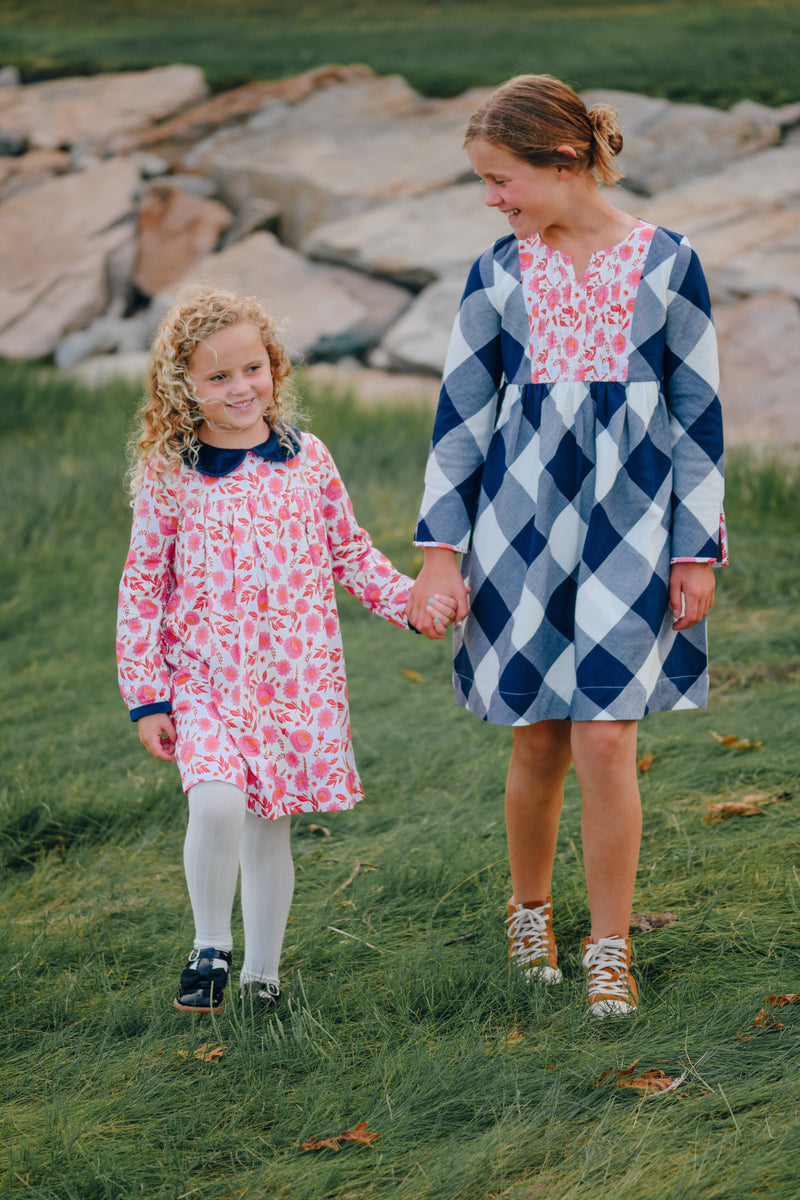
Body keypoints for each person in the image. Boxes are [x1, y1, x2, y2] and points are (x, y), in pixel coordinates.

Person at [406, 75, 726, 1017]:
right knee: (539, 738)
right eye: (484, 185)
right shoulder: (498, 272)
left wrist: (695, 548)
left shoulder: (669, 264)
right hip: (518, 526)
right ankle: (531, 910)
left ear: (568, 159)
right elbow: (461, 416)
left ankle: (611, 946)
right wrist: (440, 551)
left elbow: (699, 413)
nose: (493, 200)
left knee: (604, 734)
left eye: (503, 180)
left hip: (636, 523)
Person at [117, 286, 456, 1015]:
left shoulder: (309, 460)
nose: (240, 388)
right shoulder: (171, 471)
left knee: (270, 829)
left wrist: (412, 604)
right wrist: (147, 695)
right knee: (215, 804)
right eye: (217, 377)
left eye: (252, 369)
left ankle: (262, 975)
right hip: (204, 680)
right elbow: (142, 585)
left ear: (274, 367)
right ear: (184, 388)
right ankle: (210, 945)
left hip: (294, 684)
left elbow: (351, 553)